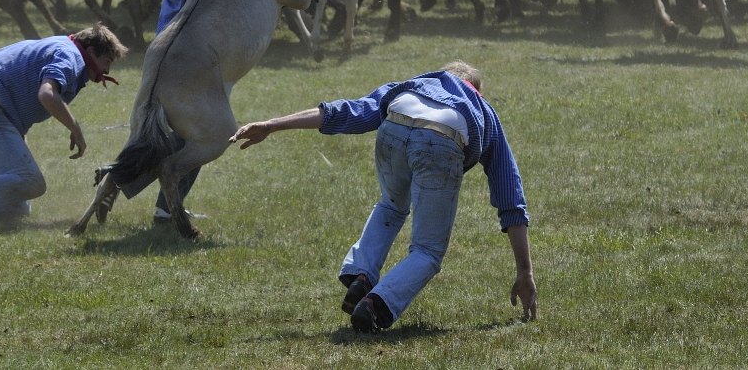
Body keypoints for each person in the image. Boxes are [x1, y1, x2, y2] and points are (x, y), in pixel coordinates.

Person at [229, 61, 537, 332]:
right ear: (477, 91)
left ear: (440, 76)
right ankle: (375, 304)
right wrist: (524, 272)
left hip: (396, 118)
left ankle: (361, 275)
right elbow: (510, 195)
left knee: (390, 206)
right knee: (427, 250)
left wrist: (272, 125)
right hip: (446, 133)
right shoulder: (483, 109)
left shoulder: (415, 84)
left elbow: (346, 111)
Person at [105, 0, 283, 224]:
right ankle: (157, 205)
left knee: (165, 131)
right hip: (188, 47)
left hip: (168, 37)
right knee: (204, 133)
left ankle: (120, 188)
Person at [0, 24, 128, 231]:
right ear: (90, 51)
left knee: (15, 207)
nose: (107, 70)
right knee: (32, 182)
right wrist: (76, 130)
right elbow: (47, 95)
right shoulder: (70, 55)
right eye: (106, 61)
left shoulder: (60, 46)